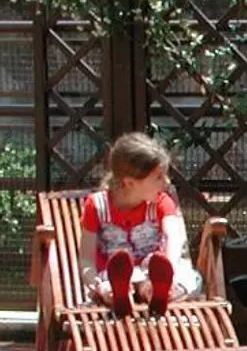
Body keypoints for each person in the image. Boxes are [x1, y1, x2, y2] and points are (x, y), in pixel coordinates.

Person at [76, 131, 203, 319]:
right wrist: (96, 284)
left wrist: (169, 266)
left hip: (152, 269)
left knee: (187, 280)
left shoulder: (160, 202)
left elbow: (173, 237)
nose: (166, 182)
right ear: (129, 182)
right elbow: (86, 259)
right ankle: (121, 295)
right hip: (114, 273)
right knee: (110, 284)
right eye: (158, 177)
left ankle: (154, 290)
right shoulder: (97, 206)